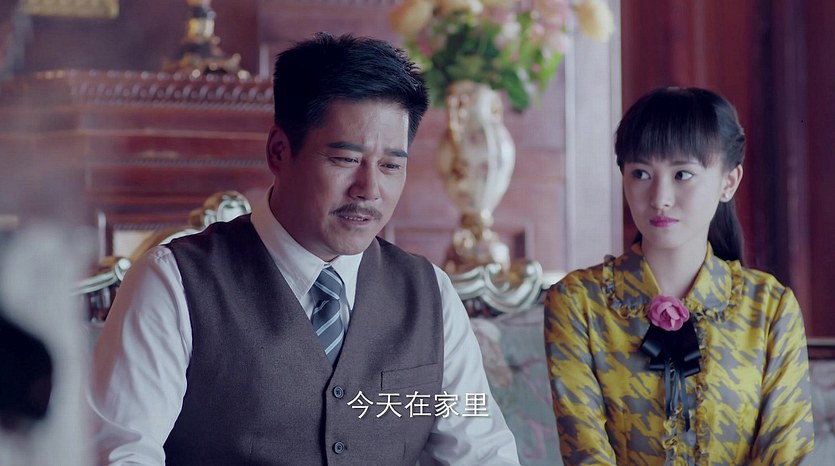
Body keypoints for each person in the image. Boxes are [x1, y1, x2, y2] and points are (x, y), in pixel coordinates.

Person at [89, 33, 520, 465]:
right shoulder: (174, 283)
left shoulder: (430, 295)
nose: (369, 189)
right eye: (345, 159)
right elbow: (120, 455)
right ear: (279, 151)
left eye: (391, 165)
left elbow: (484, 455)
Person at [544, 87, 814, 464]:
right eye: (641, 173)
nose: (660, 198)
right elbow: (584, 449)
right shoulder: (578, 302)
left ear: (728, 182)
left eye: (682, 174)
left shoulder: (769, 308)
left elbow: (786, 453)